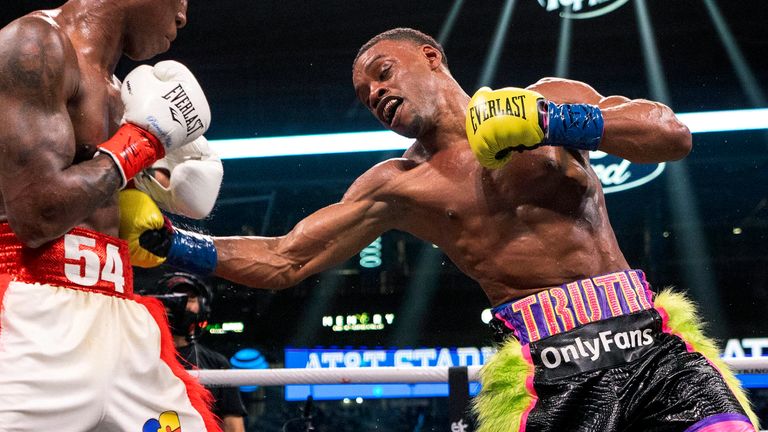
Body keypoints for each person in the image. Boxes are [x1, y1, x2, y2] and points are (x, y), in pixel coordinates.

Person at [122, 28, 758, 431]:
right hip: (551, 373)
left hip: (651, 345)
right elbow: (287, 259)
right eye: (364, 92)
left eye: (383, 72)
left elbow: (671, 134)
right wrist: (175, 244)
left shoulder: (547, 97)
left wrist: (551, 121)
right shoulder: (397, 185)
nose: (373, 93)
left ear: (431, 57)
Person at [0, 1, 223, 430]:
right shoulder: (34, 45)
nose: (183, 16)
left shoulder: (121, 91)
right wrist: (143, 142)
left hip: (122, 317)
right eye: (179, 0)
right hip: (34, 321)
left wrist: (163, 186)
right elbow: (36, 215)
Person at [143, 272, 248, 432]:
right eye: (175, 297)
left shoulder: (216, 363)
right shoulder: (139, 360)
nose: (182, 303)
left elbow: (234, 426)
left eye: (189, 298)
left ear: (202, 307)